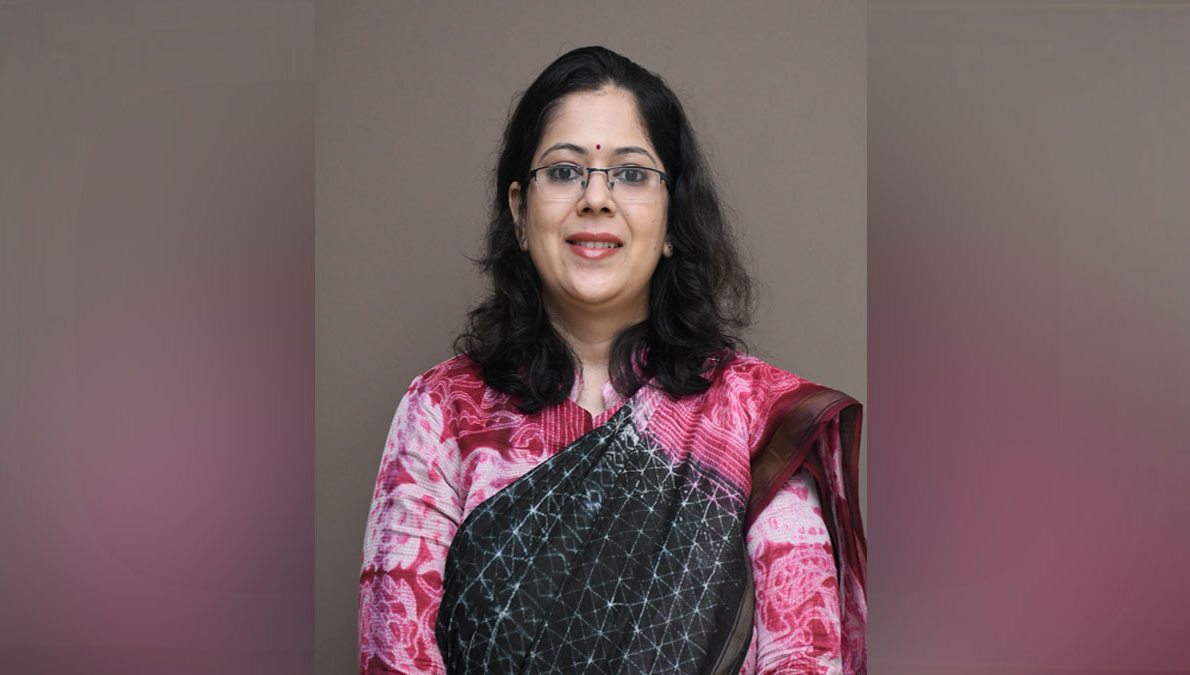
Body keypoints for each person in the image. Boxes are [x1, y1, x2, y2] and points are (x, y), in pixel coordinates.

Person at [358, 46, 866, 675]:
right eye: (564, 171)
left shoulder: (755, 421)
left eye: (630, 173)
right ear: (519, 213)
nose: (596, 198)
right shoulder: (445, 412)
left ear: (673, 218)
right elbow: (396, 656)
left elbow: (805, 657)